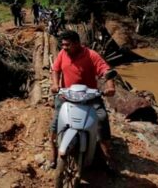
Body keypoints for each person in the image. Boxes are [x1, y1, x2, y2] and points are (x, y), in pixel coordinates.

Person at [49, 30, 117, 173]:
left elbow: (105, 70)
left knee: (102, 118)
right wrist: (55, 84)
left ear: (77, 43)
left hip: (90, 96)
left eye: (67, 45)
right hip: (66, 95)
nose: (64, 48)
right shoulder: (63, 54)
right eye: (62, 45)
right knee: (55, 122)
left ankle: (107, 155)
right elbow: (55, 70)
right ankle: (53, 152)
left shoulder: (91, 55)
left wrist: (110, 86)